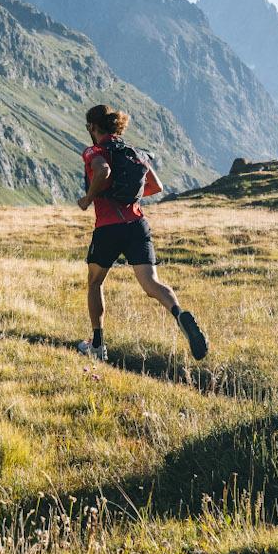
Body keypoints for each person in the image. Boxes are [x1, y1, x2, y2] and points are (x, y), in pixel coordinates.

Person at [76, 104, 207, 363]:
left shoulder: (95, 150)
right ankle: (179, 313)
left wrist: (89, 197)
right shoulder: (136, 153)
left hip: (108, 227)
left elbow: (103, 170)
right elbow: (156, 186)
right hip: (137, 224)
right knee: (151, 283)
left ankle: (97, 345)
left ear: (93, 127)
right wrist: (129, 196)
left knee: (95, 282)